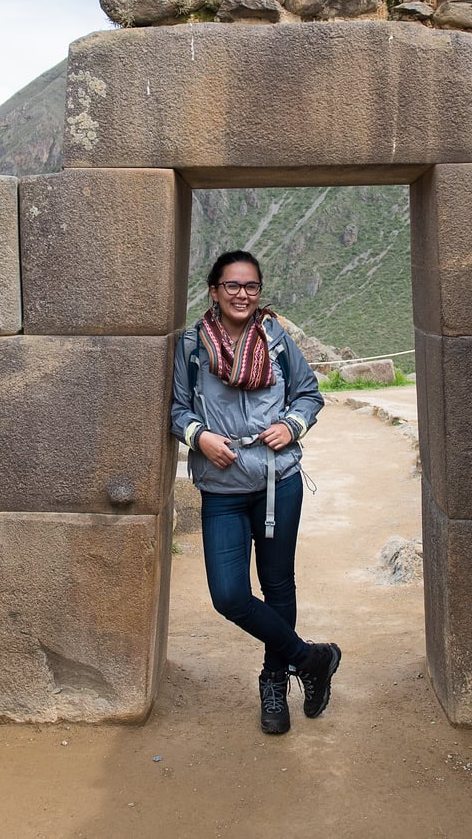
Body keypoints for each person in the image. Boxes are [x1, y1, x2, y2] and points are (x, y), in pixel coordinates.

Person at [171, 249, 340, 735]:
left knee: (277, 584)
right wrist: (199, 437)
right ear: (214, 290)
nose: (242, 295)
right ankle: (312, 659)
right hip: (221, 487)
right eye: (233, 286)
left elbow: (309, 393)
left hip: (277, 482)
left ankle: (273, 680)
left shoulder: (277, 338)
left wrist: (292, 425)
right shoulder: (192, 346)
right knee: (229, 595)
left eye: (251, 287)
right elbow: (176, 409)